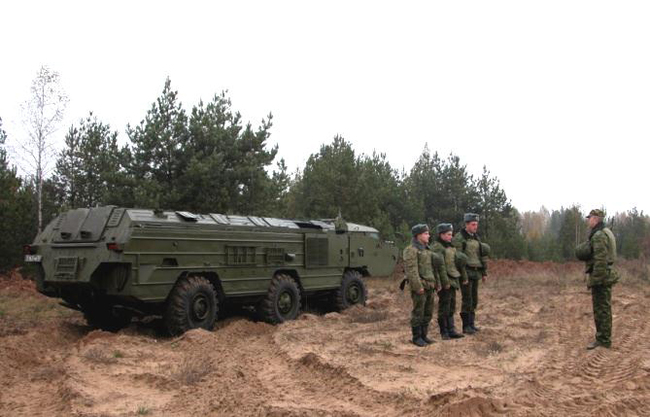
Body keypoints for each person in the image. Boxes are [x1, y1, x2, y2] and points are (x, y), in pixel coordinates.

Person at [576, 209, 619, 350]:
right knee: (603, 308)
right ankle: (603, 338)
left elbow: (600, 259)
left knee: (601, 310)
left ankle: (603, 340)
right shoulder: (604, 232)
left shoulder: (599, 235)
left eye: (590, 218)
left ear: (595, 219)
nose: (588, 220)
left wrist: (596, 280)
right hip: (605, 276)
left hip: (601, 278)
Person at [403, 224, 440, 347]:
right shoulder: (411, 250)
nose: (428, 235)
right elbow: (411, 270)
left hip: (430, 285)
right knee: (418, 312)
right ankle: (416, 337)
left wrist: (436, 283)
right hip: (420, 286)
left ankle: (424, 336)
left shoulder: (427, 250)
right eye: (426, 233)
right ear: (418, 235)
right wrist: (418, 286)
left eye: (428, 233)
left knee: (428, 312)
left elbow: (432, 269)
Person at [452, 213, 489, 334]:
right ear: (466, 224)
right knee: (467, 299)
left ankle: (472, 324)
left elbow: (481, 255)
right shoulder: (459, 238)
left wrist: (484, 272)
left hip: (476, 272)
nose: (475, 227)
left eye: (476, 224)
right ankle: (466, 326)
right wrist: (463, 276)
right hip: (466, 272)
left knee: (474, 299)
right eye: (473, 224)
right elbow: (458, 258)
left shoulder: (476, 237)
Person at [431, 223, 465, 340]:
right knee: (444, 306)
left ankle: (451, 330)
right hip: (443, 281)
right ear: (441, 235)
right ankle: (444, 332)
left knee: (451, 305)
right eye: (448, 234)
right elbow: (437, 267)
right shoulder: (437, 247)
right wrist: (441, 283)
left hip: (452, 279)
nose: (451, 236)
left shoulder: (450, 247)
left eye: (451, 234)